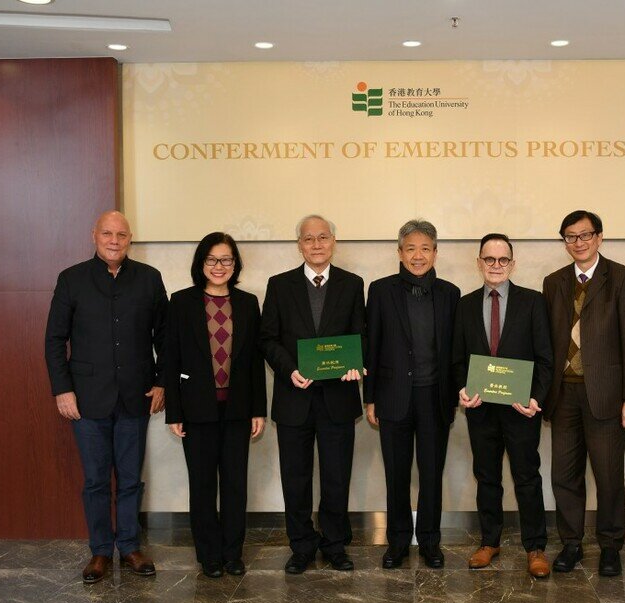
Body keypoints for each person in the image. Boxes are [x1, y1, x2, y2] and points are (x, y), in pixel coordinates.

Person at [44, 210, 166, 583]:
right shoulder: (71, 279)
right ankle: (99, 551)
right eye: (108, 234)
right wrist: (63, 390)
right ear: (94, 235)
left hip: (136, 396)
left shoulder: (148, 279)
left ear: (130, 239)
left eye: (122, 235)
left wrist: (161, 382)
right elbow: (54, 341)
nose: (115, 240)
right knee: (96, 481)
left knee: (130, 479)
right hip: (87, 400)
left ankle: (129, 546)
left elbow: (165, 337)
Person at [542, 210, 625, 577]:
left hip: (606, 395)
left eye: (586, 235)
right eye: (571, 236)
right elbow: (547, 344)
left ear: (599, 238)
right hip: (564, 395)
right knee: (564, 475)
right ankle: (571, 544)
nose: (579, 242)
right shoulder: (553, 282)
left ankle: (610, 546)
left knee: (607, 474)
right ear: (564, 241)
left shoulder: (621, 278)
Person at [260, 215, 365, 574]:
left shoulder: (353, 284)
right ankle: (302, 546)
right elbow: (268, 339)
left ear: (334, 241)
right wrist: (290, 369)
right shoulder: (279, 285)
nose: (316, 244)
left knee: (337, 477)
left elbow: (360, 335)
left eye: (323, 237)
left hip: (338, 397)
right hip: (294, 399)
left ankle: (335, 545)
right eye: (309, 238)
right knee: (296, 478)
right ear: (299, 245)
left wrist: (356, 363)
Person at [163, 232, 267, 578]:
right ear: (201, 263)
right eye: (212, 259)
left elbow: (254, 361)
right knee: (203, 486)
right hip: (196, 412)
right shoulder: (181, 302)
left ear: (235, 264)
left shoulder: (249, 303)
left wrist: (258, 409)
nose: (219, 266)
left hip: (238, 410)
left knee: (236, 485)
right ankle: (209, 554)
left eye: (226, 260)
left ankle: (232, 553)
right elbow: (170, 358)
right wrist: (174, 413)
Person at [453, 233, 553, 578]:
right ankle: (489, 542)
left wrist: (536, 398)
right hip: (481, 409)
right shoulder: (464, 305)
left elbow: (545, 359)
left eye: (503, 260)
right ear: (479, 262)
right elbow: (456, 361)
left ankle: (536, 547)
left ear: (513, 263)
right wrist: (462, 390)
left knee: (527, 476)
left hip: (520, 409)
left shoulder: (533, 302)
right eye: (489, 259)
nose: (496, 266)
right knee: (487, 477)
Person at [364, 219, 460, 569]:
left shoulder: (451, 293)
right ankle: (399, 541)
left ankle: (431, 541)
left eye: (425, 248)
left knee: (432, 473)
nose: (417, 255)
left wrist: (456, 396)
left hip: (435, 398)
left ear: (435, 253)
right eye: (410, 248)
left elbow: (455, 351)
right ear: (399, 252)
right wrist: (369, 398)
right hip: (393, 398)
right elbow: (371, 345)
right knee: (397, 474)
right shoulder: (380, 290)